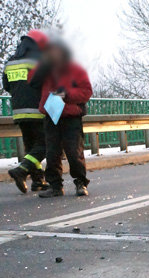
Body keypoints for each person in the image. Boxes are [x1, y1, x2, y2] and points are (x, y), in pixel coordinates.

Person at [30, 40, 93, 198]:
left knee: (74, 152)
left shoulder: (76, 70)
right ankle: (55, 186)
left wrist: (68, 94)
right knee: (52, 152)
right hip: (51, 115)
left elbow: (86, 91)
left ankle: (80, 183)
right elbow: (32, 82)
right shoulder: (44, 70)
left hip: (71, 116)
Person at [2, 30, 50, 194]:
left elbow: (7, 86)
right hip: (36, 110)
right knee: (44, 146)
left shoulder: (10, 62)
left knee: (31, 147)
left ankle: (38, 181)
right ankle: (21, 170)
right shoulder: (38, 61)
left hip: (19, 112)